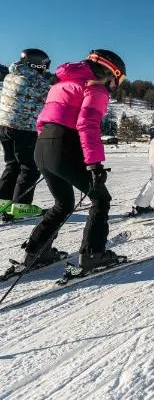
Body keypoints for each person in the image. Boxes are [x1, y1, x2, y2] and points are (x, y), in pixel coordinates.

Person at [13, 49, 127, 274]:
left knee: (63, 203)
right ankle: (93, 255)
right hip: (64, 146)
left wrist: (49, 150)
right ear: (110, 71)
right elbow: (87, 124)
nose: (116, 84)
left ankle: (36, 252)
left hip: (43, 145)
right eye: (119, 78)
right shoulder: (95, 88)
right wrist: (94, 164)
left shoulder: (60, 85)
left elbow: (42, 120)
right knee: (100, 199)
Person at [0, 49, 52, 220]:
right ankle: (20, 208)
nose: (46, 69)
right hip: (24, 129)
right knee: (29, 168)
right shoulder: (38, 83)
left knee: (12, 165)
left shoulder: (10, 76)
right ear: (38, 64)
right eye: (45, 65)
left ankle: (2, 204)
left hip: (4, 126)